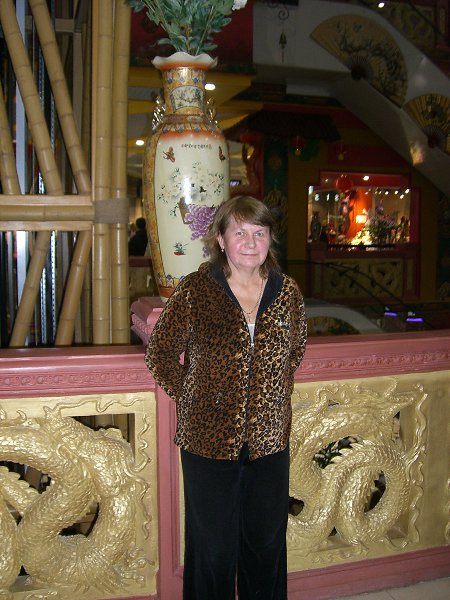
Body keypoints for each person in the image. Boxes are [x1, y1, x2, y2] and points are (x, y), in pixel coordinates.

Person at [145, 195, 307, 600]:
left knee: (266, 546)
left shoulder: (287, 292)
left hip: (270, 442)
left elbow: (295, 351)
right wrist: (192, 397)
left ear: (270, 239)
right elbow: (160, 353)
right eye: (240, 232)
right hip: (208, 443)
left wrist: (270, 397)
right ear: (220, 239)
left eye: (259, 233)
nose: (250, 243)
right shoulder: (196, 290)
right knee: (213, 551)